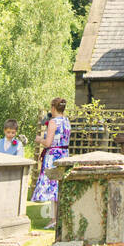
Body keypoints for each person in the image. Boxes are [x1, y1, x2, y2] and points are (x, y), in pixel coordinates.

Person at [32, 97, 71, 227]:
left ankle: (53, 219)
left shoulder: (53, 122)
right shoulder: (66, 121)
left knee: (52, 186)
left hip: (53, 155)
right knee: (59, 186)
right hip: (64, 154)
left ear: (53, 108)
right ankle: (58, 217)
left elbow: (48, 142)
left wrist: (39, 139)